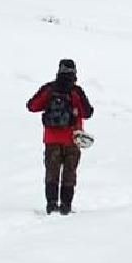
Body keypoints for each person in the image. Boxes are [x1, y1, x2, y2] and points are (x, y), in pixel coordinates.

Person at [26, 58, 94, 214]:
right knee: (69, 174)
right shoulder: (76, 91)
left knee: (52, 173)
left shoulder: (50, 89)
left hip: (51, 139)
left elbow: (32, 106)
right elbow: (87, 113)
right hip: (73, 139)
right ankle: (66, 206)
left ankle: (51, 204)